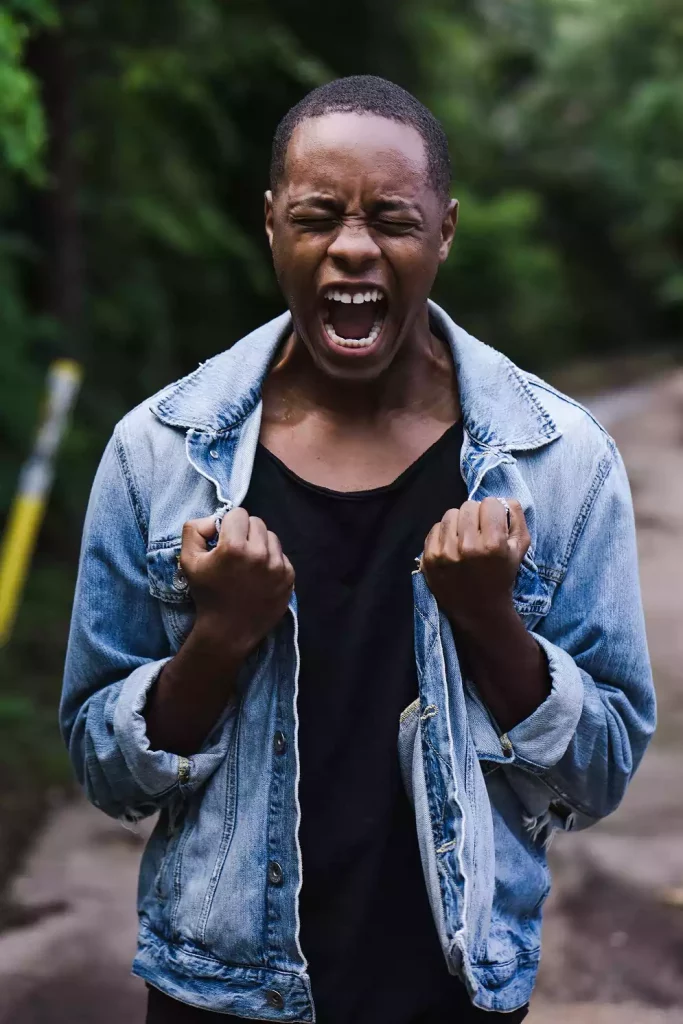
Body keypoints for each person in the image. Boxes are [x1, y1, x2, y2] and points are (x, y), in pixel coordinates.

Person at [60, 75, 655, 1024]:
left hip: (448, 994)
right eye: (318, 215)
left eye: (391, 218)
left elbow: (600, 769)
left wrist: (492, 625)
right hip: (217, 998)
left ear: (445, 232)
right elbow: (103, 771)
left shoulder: (560, 461)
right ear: (270, 225)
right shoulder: (159, 451)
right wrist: (217, 642)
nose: (352, 246)